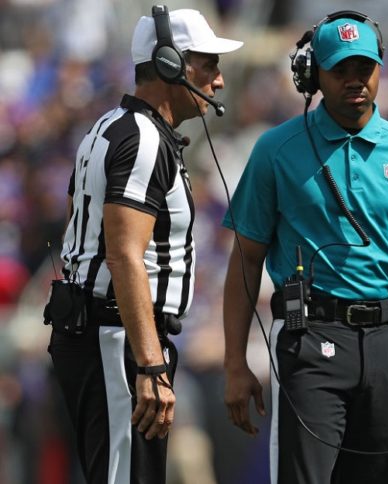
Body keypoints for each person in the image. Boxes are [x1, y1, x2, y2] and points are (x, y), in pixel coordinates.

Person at [221, 11, 388, 484]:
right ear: (313, 76)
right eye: (339, 69)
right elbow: (245, 258)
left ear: (380, 68)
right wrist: (234, 362)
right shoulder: (275, 150)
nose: (355, 81)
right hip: (311, 341)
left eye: (363, 67)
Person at [46, 8, 242, 483]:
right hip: (119, 338)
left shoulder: (109, 127)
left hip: (104, 333)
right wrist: (150, 363)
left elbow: (79, 211)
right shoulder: (144, 139)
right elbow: (123, 253)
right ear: (172, 64)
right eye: (209, 64)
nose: (217, 81)